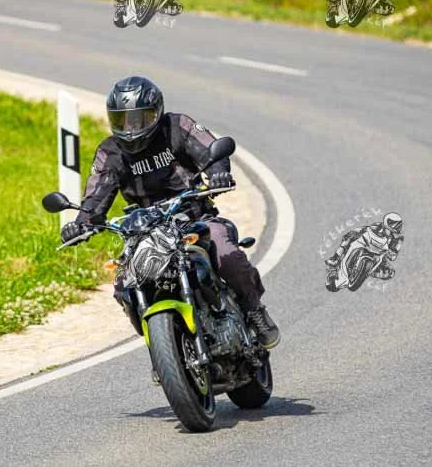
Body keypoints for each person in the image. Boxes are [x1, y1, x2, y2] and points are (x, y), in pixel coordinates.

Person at [60, 76, 279, 348]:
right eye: (122, 120)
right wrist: (82, 223)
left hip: (195, 217)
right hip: (146, 233)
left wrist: (218, 174)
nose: (130, 128)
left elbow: (211, 150)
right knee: (124, 284)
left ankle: (254, 310)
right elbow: (96, 195)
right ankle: (164, 347)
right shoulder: (110, 151)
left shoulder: (177, 127)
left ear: (156, 112)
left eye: (138, 119)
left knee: (226, 253)